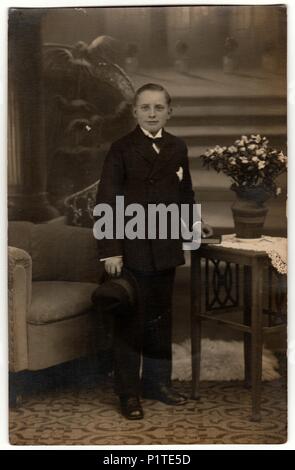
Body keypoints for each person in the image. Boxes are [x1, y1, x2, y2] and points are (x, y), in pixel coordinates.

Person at [95, 83, 213, 420]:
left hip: (164, 246)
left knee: (161, 318)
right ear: (134, 111)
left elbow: (185, 193)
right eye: (145, 107)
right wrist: (111, 251)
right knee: (131, 321)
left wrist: (194, 225)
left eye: (158, 108)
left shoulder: (177, 146)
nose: (151, 113)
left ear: (169, 111)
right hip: (131, 248)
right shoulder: (121, 148)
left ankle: (157, 384)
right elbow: (107, 200)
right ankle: (128, 392)